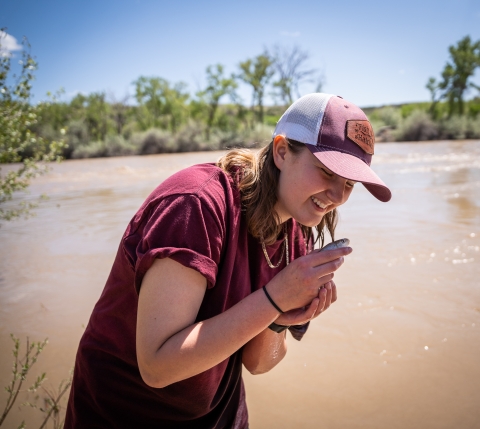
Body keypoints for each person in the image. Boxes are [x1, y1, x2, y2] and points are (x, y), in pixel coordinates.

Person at [65, 93, 391, 428]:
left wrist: (279, 317)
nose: (337, 197)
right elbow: (157, 367)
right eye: (326, 172)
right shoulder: (196, 204)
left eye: (350, 183)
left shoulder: (297, 227)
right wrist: (275, 297)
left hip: (220, 415)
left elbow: (259, 363)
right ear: (281, 152)